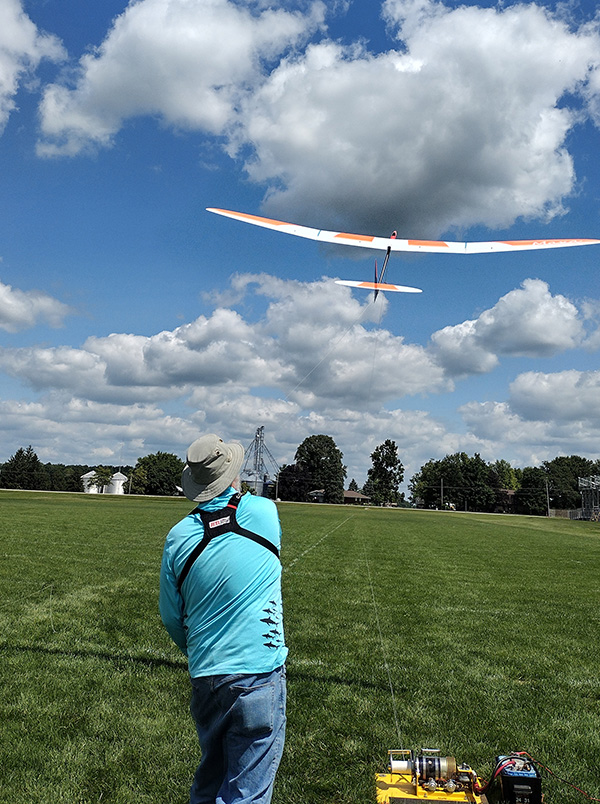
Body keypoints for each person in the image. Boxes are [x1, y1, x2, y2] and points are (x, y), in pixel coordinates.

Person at [159, 434, 287, 804]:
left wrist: (202, 650)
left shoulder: (178, 536)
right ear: (232, 476)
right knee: (247, 790)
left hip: (206, 677)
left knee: (210, 778)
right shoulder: (263, 513)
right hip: (258, 674)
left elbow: (171, 617)